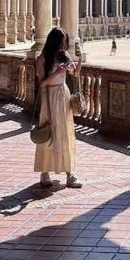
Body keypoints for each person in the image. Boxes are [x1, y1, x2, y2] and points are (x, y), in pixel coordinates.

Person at [34, 27, 82, 189]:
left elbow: (75, 74)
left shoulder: (65, 55)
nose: (63, 46)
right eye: (61, 42)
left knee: (66, 133)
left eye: (65, 43)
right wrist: (58, 72)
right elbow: (42, 83)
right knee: (49, 133)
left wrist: (79, 59)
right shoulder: (41, 59)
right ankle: (44, 172)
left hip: (63, 95)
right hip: (49, 97)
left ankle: (70, 172)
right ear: (54, 42)